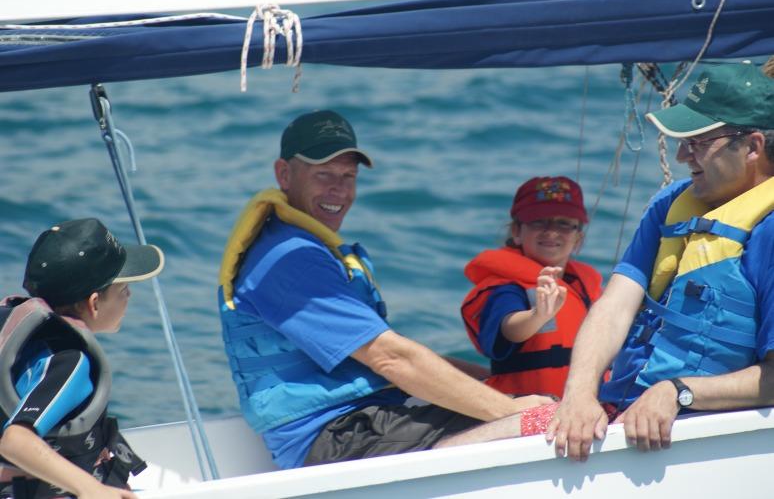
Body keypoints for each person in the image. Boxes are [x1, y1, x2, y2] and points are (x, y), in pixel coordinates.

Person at [218, 109, 553, 470]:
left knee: (533, 407)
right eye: (324, 174)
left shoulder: (305, 247)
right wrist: (510, 411)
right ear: (284, 174)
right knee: (545, 422)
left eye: (349, 176)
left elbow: (386, 353)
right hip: (335, 440)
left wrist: (490, 380)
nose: (339, 190)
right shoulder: (289, 260)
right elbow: (390, 358)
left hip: (362, 423)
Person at [523, 60, 774, 461]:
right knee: (463, 446)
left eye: (697, 142)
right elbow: (615, 306)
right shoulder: (671, 204)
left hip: (699, 436)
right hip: (617, 412)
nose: (680, 155)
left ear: (753, 147)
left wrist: (677, 392)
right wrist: (579, 394)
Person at [0, 218, 164, 498]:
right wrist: (92, 489)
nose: (130, 295)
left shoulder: (15, 335)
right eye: (123, 289)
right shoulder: (71, 362)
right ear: (95, 303)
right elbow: (15, 441)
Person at [461, 176, 603, 398]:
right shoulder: (506, 288)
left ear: (578, 238)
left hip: (586, 406)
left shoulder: (585, 286)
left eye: (564, 224)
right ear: (516, 231)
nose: (552, 231)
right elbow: (508, 328)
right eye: (538, 221)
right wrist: (537, 316)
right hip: (527, 410)